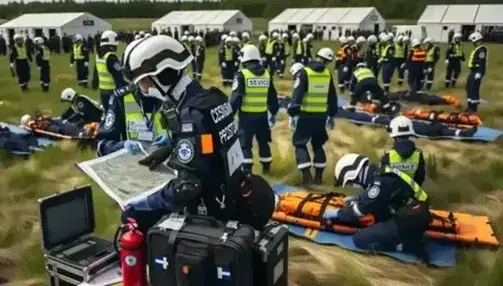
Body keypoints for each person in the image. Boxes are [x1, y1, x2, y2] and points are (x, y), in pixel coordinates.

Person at [120, 35, 274, 233]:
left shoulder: (190, 115)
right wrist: (172, 147)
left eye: (143, 81)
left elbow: (186, 188)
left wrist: (148, 200)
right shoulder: (211, 97)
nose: (144, 89)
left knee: (132, 216)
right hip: (231, 190)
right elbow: (211, 144)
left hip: (212, 207)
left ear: (162, 76)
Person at [328, 154, 431, 258]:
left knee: (360, 238)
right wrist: (359, 199)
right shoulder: (380, 172)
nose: (353, 185)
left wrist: (335, 213)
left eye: (351, 182)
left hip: (411, 217)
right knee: (375, 219)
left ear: (354, 174)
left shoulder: (379, 181)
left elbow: (359, 210)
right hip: (414, 211)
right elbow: (379, 199)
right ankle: (409, 236)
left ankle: (409, 245)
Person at [288, 48, 338, 185]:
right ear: (328, 61)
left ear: (316, 56)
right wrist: (332, 115)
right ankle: (318, 178)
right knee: (318, 145)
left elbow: (297, 95)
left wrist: (292, 114)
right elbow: (332, 97)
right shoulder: (327, 74)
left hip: (305, 116)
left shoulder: (305, 73)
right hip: (321, 117)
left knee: (299, 143)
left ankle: (306, 176)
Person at [230, 45, 279, 173]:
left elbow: (236, 98)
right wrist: (273, 112)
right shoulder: (267, 74)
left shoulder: (242, 75)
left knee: (245, 145)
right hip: (262, 116)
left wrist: (230, 115)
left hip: (246, 117)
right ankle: (267, 169)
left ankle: (247, 171)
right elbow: (272, 96)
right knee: (263, 142)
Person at [381, 116, 425, 186]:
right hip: (410, 193)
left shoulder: (388, 155)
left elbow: (382, 178)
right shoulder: (418, 154)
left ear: (393, 135)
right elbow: (420, 178)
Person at [92, 30, 126, 113]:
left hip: (102, 92)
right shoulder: (111, 57)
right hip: (113, 92)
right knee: (117, 115)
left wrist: (94, 85)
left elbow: (95, 73)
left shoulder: (98, 56)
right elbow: (119, 76)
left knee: (108, 114)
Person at [465, 32, 486, 113]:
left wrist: (480, 72)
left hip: (477, 71)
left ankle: (473, 109)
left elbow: (482, 62)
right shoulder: (477, 48)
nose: (472, 43)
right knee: (469, 88)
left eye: (472, 41)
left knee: (474, 89)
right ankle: (470, 106)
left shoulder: (481, 49)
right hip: (473, 71)